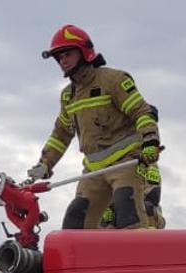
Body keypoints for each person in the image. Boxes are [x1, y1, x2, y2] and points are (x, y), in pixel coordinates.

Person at [27, 24, 164, 230]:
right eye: (58, 57)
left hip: (125, 164)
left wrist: (150, 142)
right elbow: (61, 134)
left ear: (84, 52)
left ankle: (139, 259)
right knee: (75, 222)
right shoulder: (68, 96)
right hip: (93, 170)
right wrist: (45, 164)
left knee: (128, 216)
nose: (62, 61)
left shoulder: (113, 80)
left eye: (67, 54)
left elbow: (141, 112)